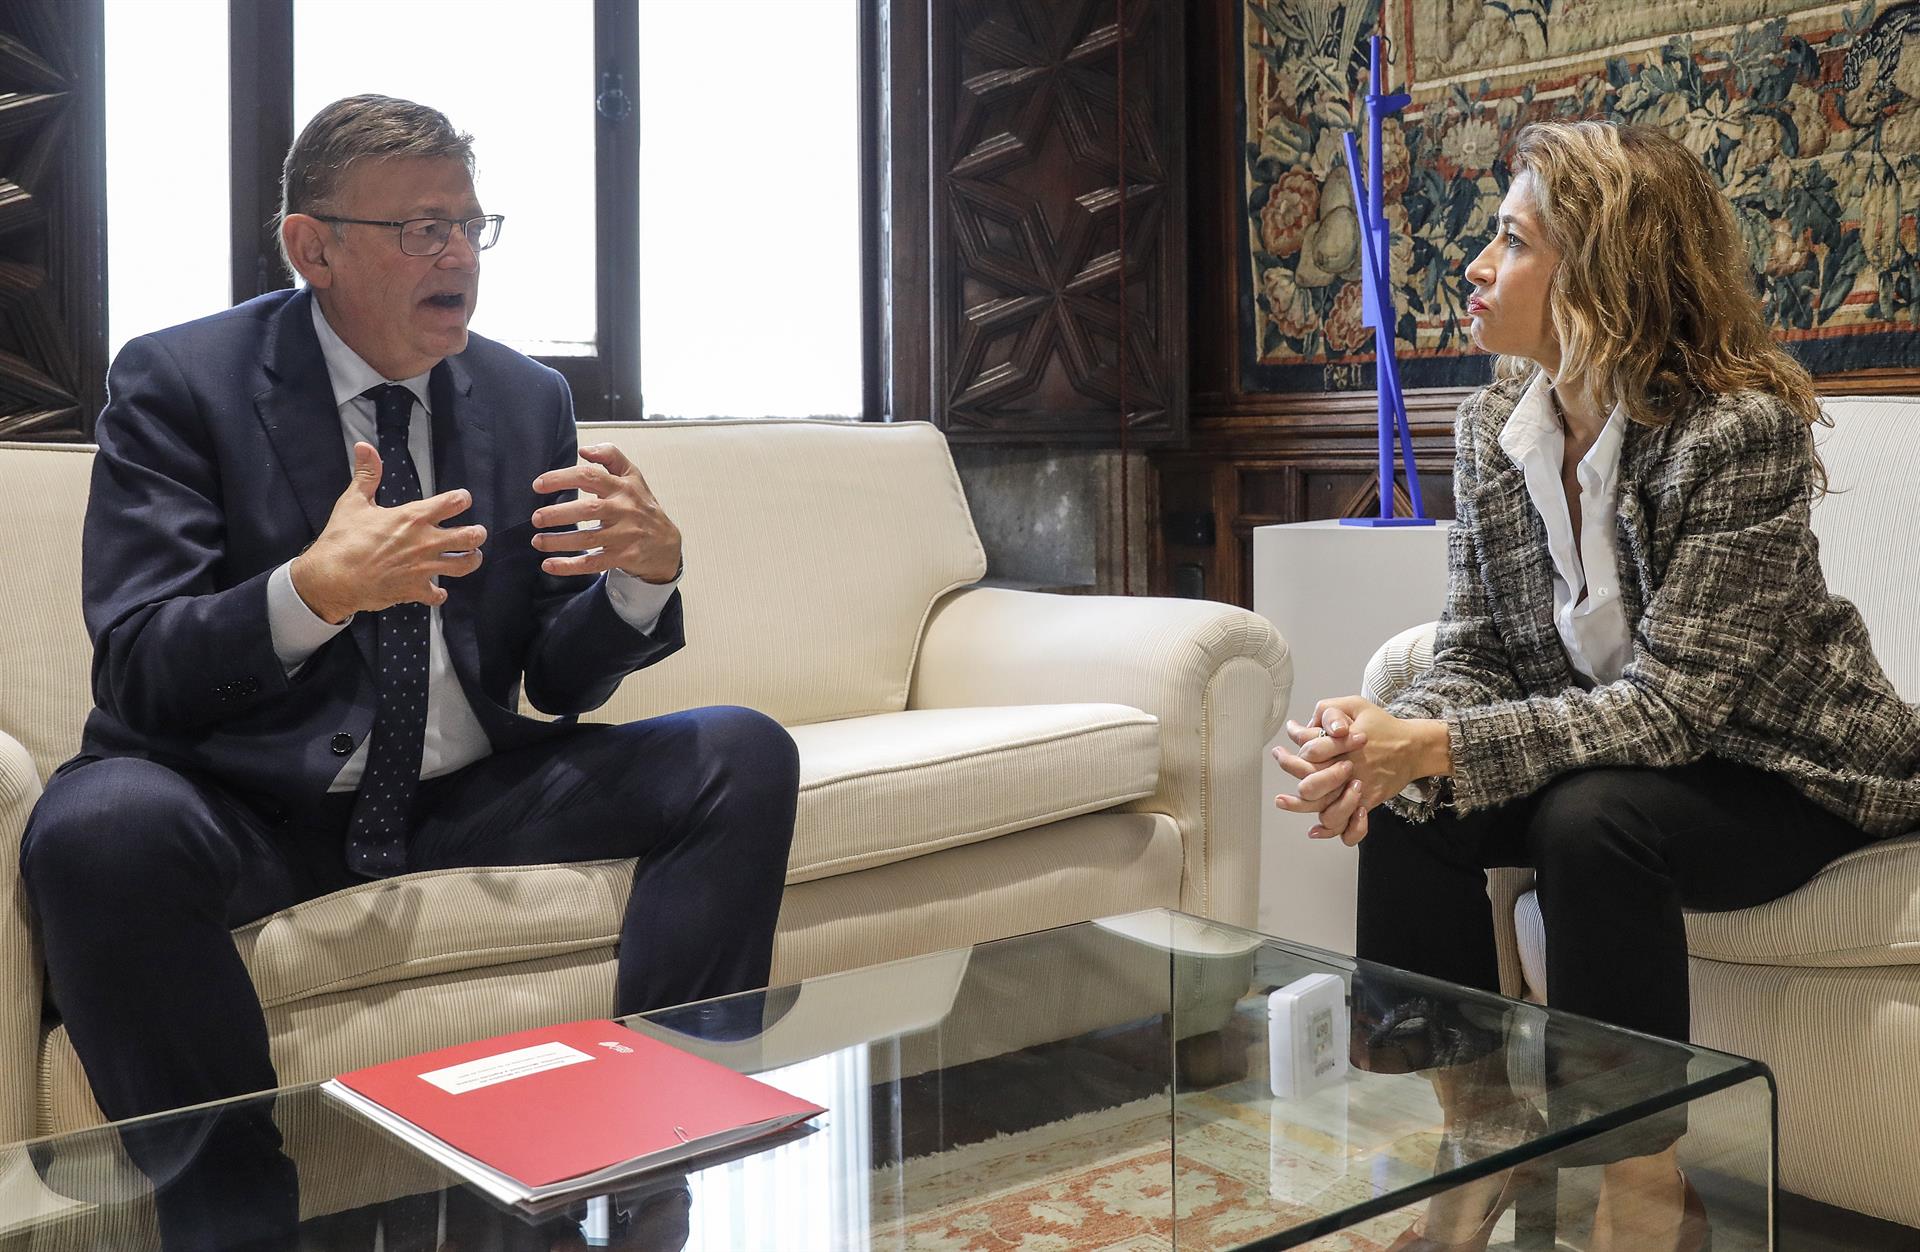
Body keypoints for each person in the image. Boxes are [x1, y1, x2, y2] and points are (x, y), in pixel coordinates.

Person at [21, 94, 799, 1245]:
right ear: (312, 246)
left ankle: (651, 1153)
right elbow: (139, 667)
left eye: (470, 227)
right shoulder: (181, 381)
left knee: (739, 750)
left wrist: (641, 579)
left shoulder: (524, 396)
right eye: (420, 228)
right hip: (248, 806)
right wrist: (314, 590)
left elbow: (554, 680)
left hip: (460, 800)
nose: (456, 258)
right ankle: (234, 1211)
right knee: (96, 828)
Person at [1273, 119, 1920, 1252]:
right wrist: (1387, 735)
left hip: (1779, 769)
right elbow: (1473, 649)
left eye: (1512, 242)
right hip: (1623, 759)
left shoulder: (1737, 432)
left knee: (1589, 818)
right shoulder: (1492, 427)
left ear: (1606, 274)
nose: (1475, 266)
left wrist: (1430, 744)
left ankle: (1645, 1187)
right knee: (1413, 801)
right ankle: (1477, 1132)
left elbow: (1678, 710)